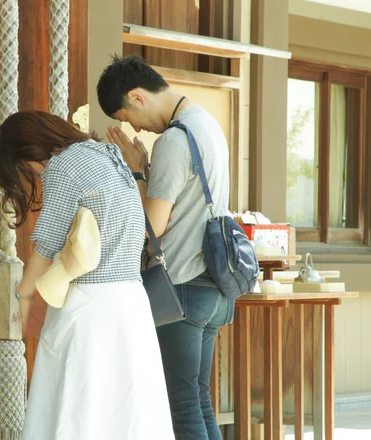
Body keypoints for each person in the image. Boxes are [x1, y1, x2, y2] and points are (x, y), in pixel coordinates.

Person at [0, 110, 174, 440]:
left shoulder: (65, 165)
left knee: (80, 408)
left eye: (23, 169)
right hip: (131, 300)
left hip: (93, 305)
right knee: (128, 410)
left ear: (28, 152)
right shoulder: (105, 154)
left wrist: (24, 295)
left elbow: (47, 243)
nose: (33, 176)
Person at [97, 54, 235, 440]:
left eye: (126, 116)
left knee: (182, 406)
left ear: (138, 97)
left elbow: (151, 228)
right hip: (214, 288)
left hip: (182, 289)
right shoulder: (207, 125)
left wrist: (138, 172)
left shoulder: (174, 140)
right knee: (199, 400)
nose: (133, 127)